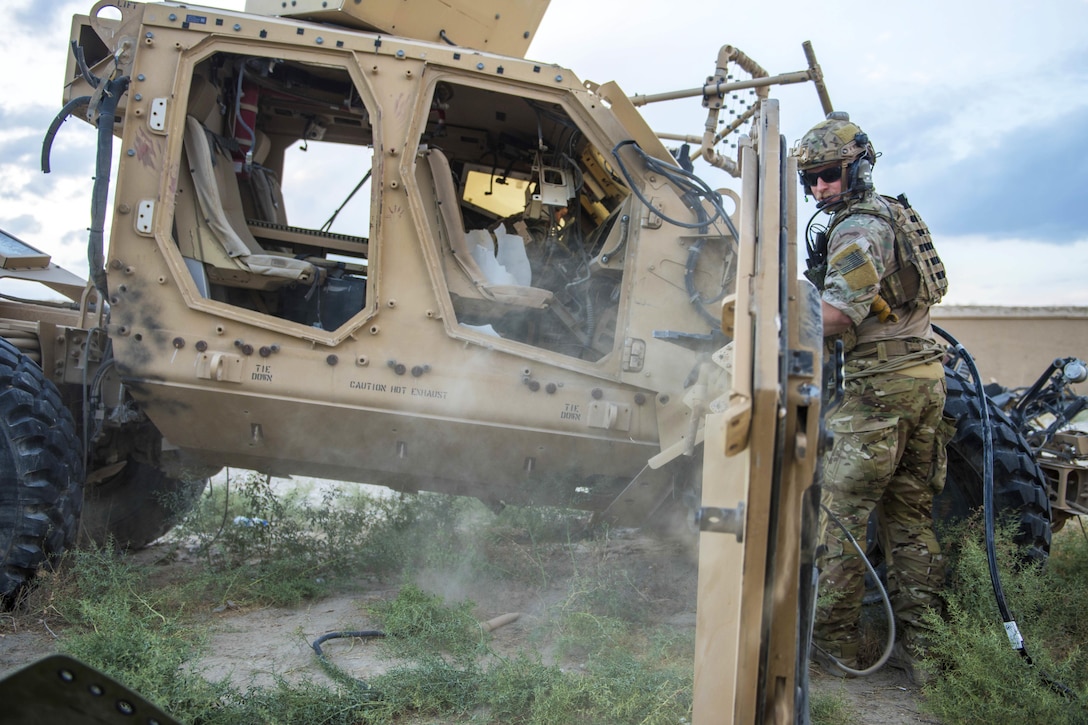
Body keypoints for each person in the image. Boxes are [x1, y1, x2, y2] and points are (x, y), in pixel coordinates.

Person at [793, 111, 954, 685]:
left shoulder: (858, 228)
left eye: (829, 174)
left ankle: (833, 650)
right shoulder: (894, 214)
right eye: (809, 178)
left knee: (838, 516)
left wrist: (775, 323)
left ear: (857, 168)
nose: (818, 188)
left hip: (880, 392)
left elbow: (837, 315)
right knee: (909, 518)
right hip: (924, 381)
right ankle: (929, 654)